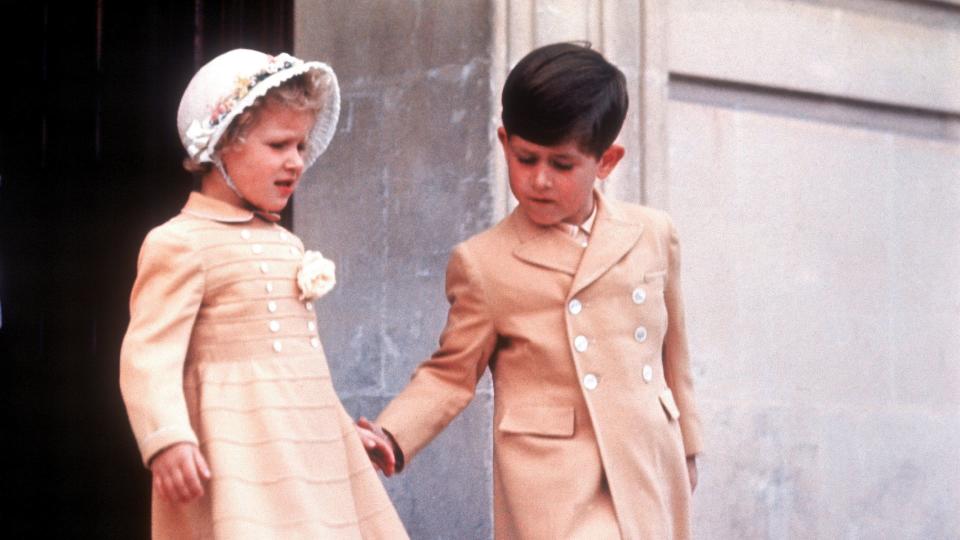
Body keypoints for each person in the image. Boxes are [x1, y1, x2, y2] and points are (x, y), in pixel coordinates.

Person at [361, 42, 704, 539]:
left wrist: (687, 446)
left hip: (648, 457)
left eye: (562, 165)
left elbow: (675, 355)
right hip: (552, 475)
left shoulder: (654, 233)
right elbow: (450, 375)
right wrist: (392, 433)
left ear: (606, 161)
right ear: (504, 142)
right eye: (526, 159)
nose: (539, 180)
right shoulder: (484, 262)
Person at [119, 48, 407, 539]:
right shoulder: (180, 242)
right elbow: (149, 355)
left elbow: (300, 367)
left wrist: (338, 433)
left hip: (304, 453)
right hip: (240, 456)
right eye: (278, 146)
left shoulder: (286, 243)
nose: (296, 162)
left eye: (301, 146)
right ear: (221, 146)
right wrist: (166, 438)